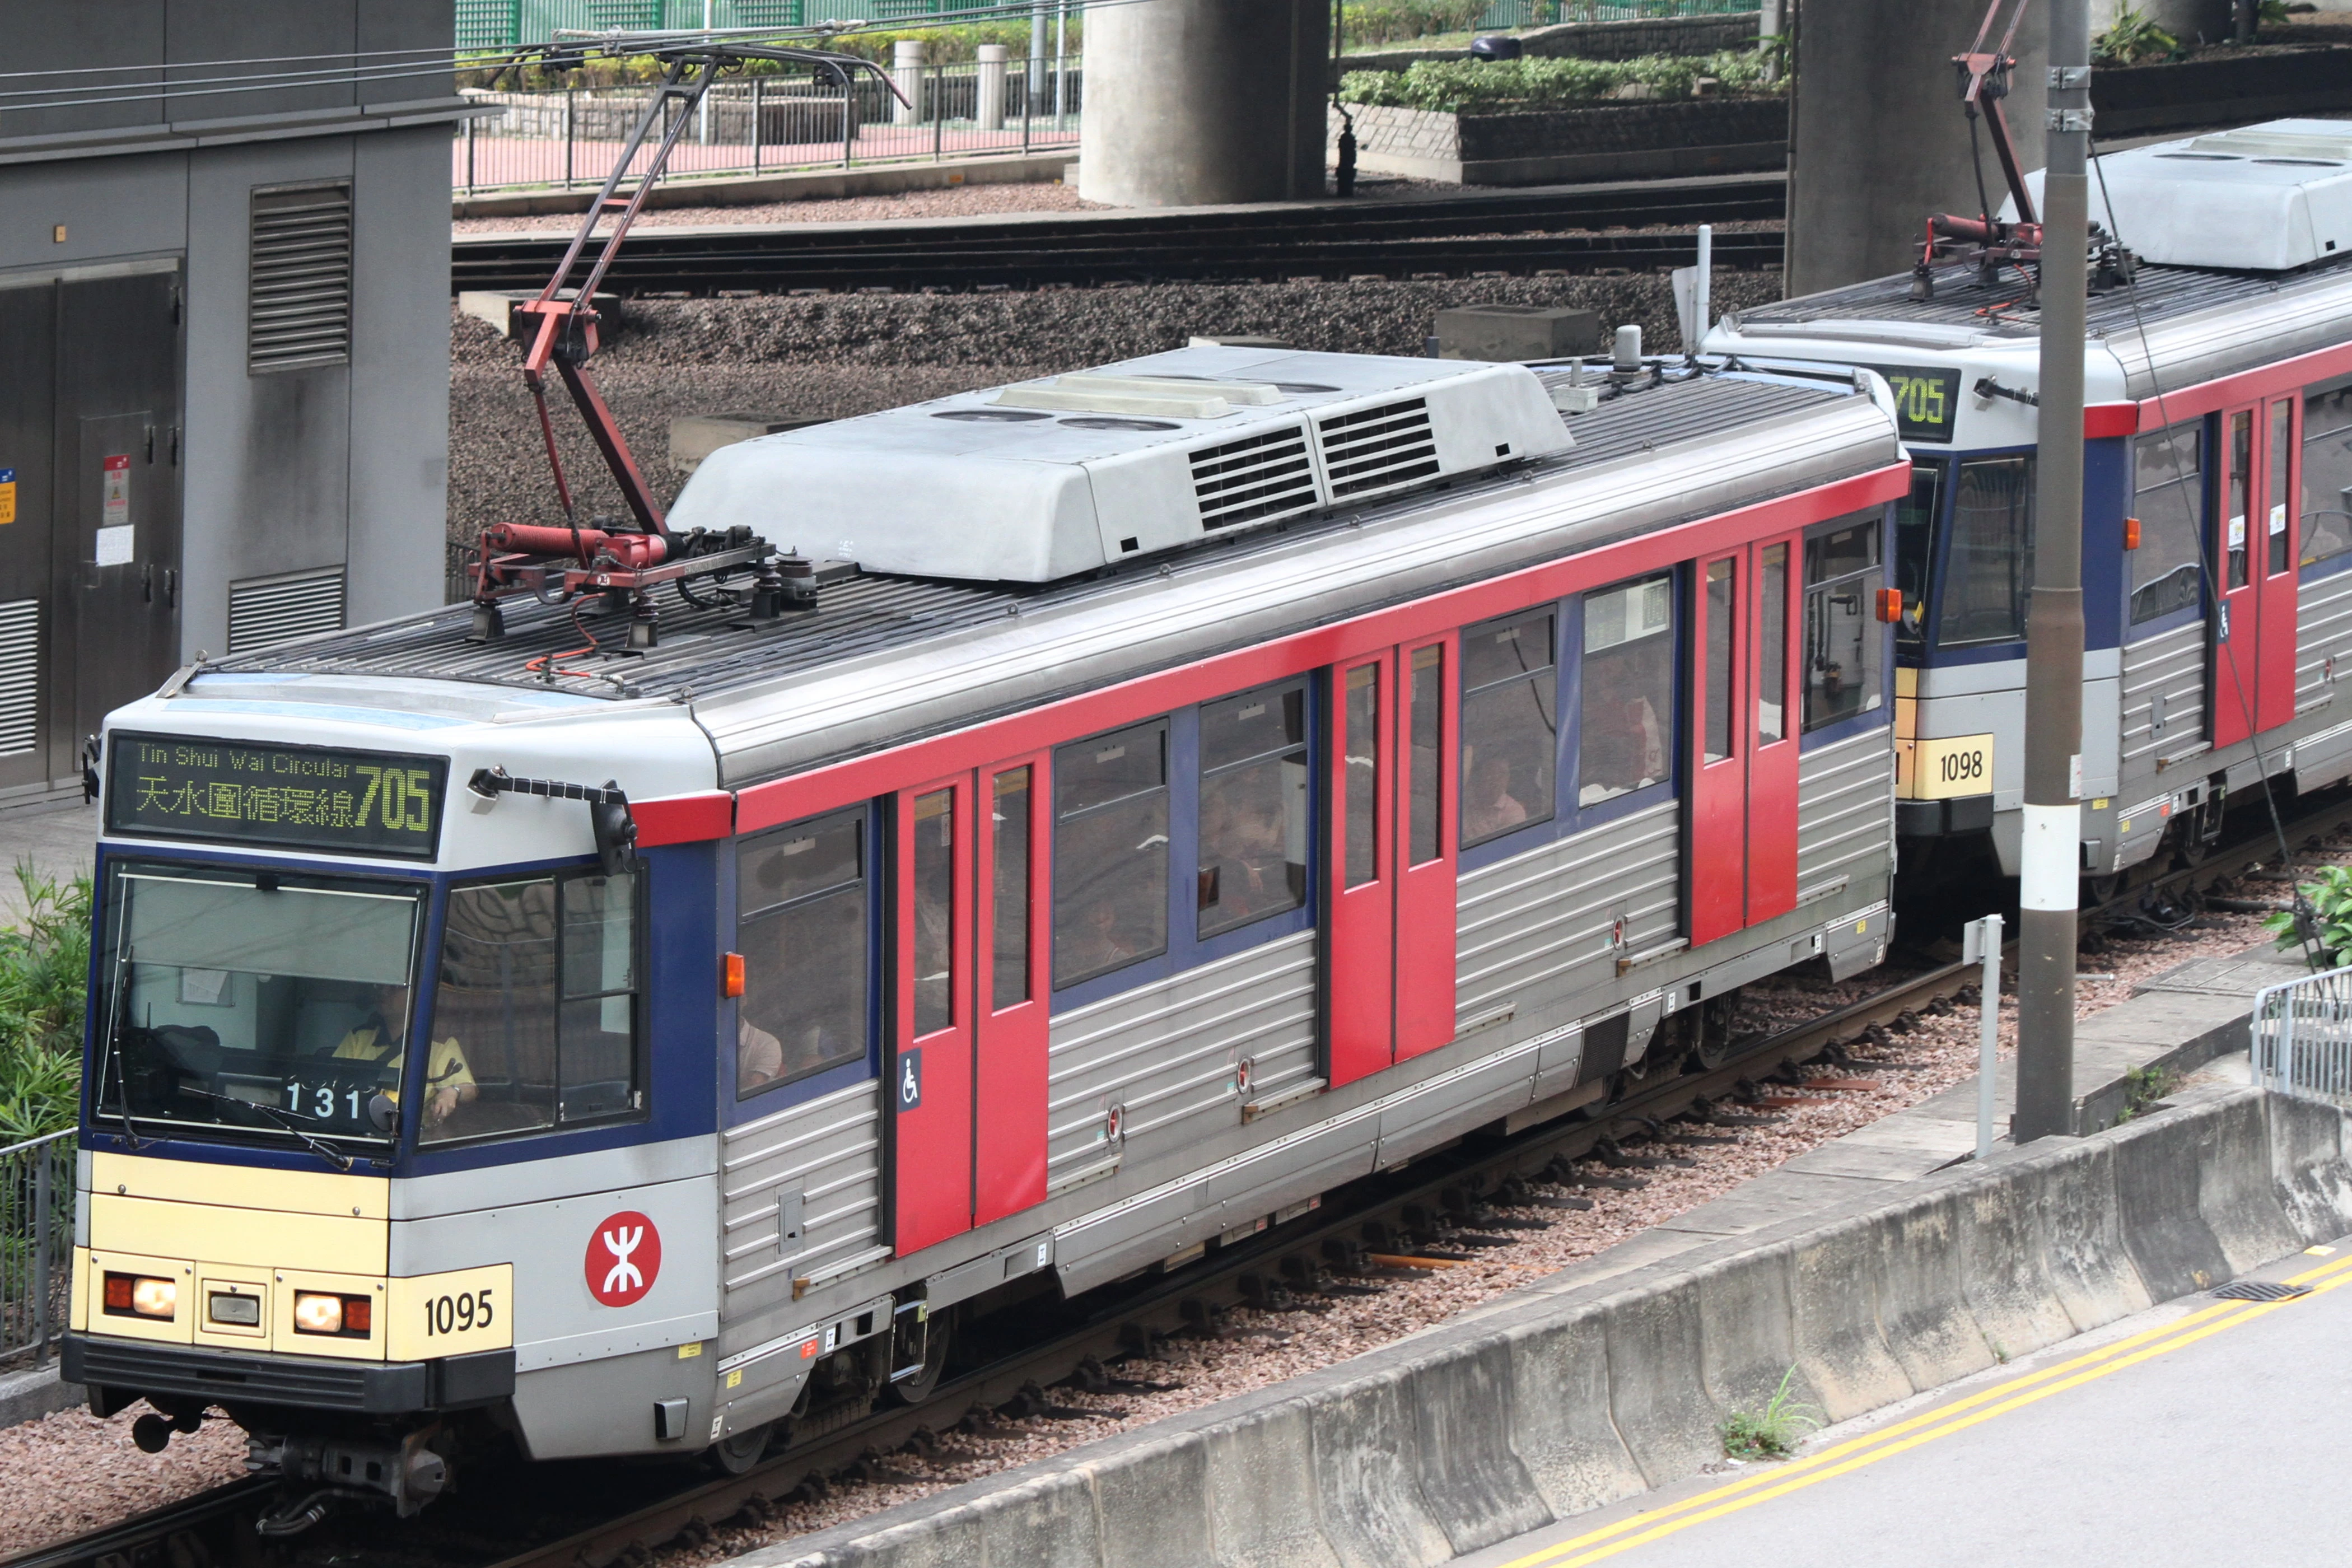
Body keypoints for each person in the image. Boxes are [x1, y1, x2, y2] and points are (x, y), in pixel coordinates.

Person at [333, 982, 476, 1127]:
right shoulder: (359, 1037)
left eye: (395, 987)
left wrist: (452, 1092)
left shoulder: (439, 1043)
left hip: (411, 1134)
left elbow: (469, 1088)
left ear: (416, 994)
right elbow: (331, 1077)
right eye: (380, 987)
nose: (384, 993)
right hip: (357, 1128)